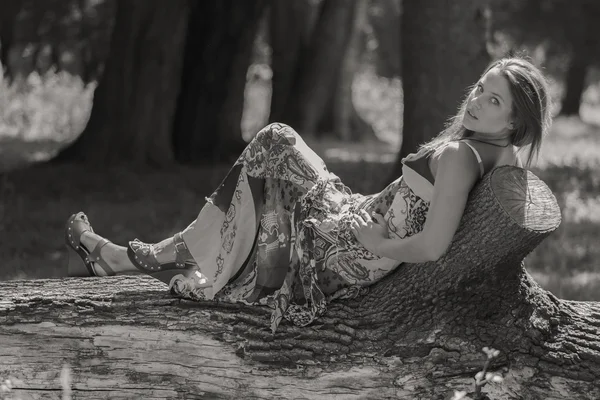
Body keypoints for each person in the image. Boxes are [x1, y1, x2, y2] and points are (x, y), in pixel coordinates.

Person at [65, 56, 552, 333]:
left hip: (344, 248)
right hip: (351, 223)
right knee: (273, 147)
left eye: (494, 102)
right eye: (481, 89)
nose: (477, 102)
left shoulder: (461, 158)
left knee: (273, 143)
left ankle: (133, 258)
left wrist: (382, 246)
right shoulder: (494, 157)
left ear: (514, 123)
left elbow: (433, 244)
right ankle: (139, 257)